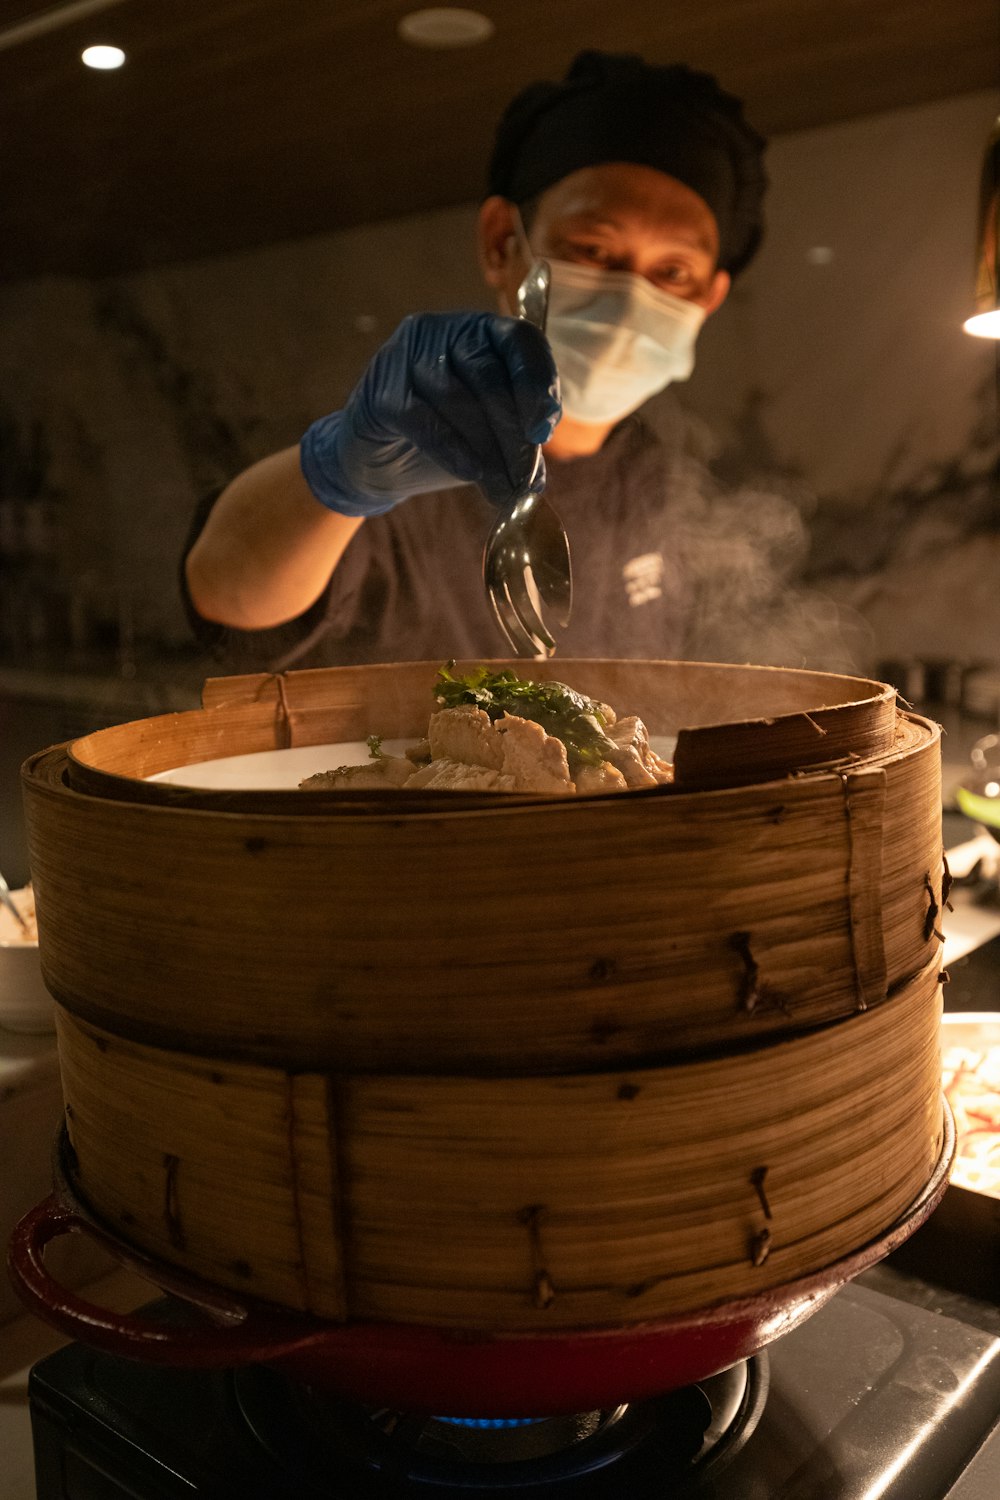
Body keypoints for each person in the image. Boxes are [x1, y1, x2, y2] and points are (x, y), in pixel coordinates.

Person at [182, 50, 768, 671]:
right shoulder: (413, 443)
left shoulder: (680, 489)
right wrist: (337, 474)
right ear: (502, 245)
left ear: (708, 297)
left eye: (672, 271)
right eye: (593, 248)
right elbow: (227, 598)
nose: (631, 294)